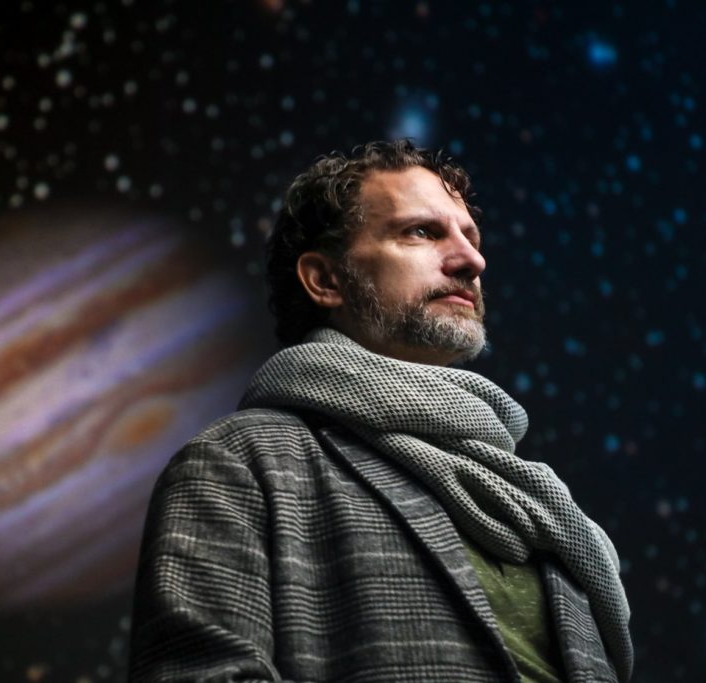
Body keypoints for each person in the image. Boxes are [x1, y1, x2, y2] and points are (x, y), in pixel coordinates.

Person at [128, 140, 633, 682]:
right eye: (422, 232)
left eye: (471, 237)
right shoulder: (240, 463)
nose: (472, 260)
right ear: (325, 279)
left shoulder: (535, 501)